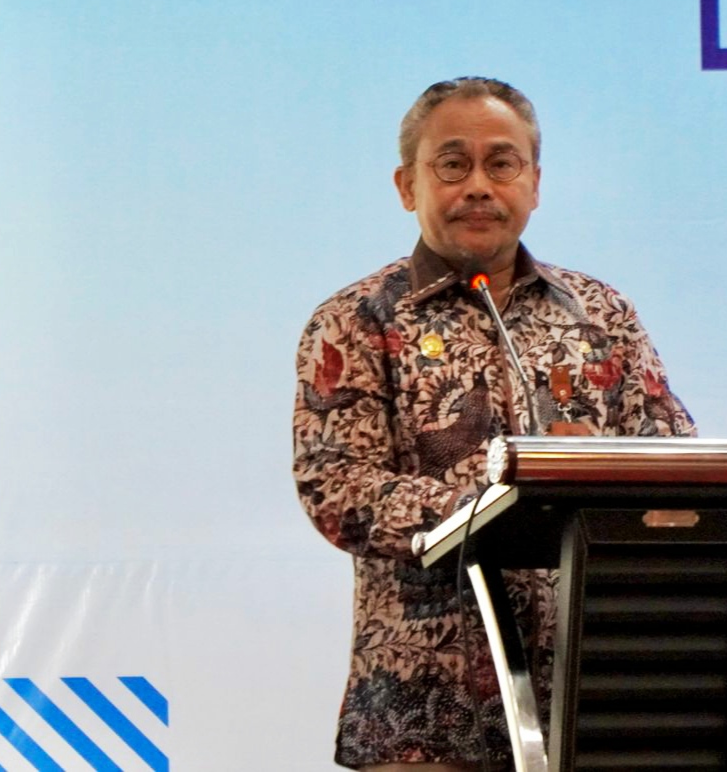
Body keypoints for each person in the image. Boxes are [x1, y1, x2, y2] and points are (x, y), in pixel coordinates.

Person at [292, 77, 695, 771]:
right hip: (424, 705)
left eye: (501, 164)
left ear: (534, 183)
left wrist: (606, 468)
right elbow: (337, 489)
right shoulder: (356, 321)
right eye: (453, 164)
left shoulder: (600, 314)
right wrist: (504, 496)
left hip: (595, 692)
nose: (478, 186)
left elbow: (674, 459)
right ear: (407, 186)